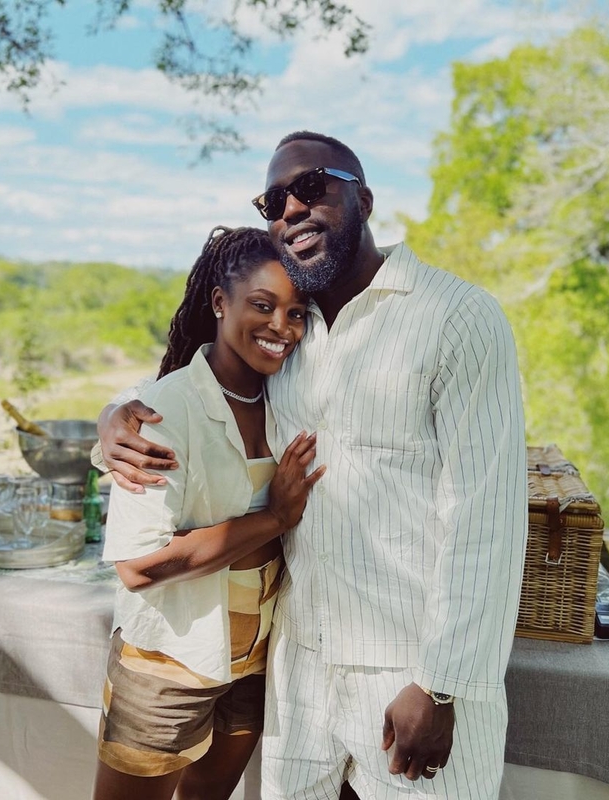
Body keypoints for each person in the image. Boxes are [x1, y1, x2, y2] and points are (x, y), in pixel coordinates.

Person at [96, 132, 528, 800]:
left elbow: (487, 518)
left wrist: (443, 685)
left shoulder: (457, 318)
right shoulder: (291, 339)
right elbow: (196, 384)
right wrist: (114, 418)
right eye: (274, 199)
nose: (290, 208)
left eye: (312, 186)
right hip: (299, 684)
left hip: (408, 679)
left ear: (365, 198)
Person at [92, 225, 325, 800]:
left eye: (296, 314)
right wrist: (273, 519)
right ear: (219, 302)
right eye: (263, 306)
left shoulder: (291, 394)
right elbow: (138, 566)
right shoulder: (167, 408)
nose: (280, 328)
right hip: (171, 656)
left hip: (255, 655)